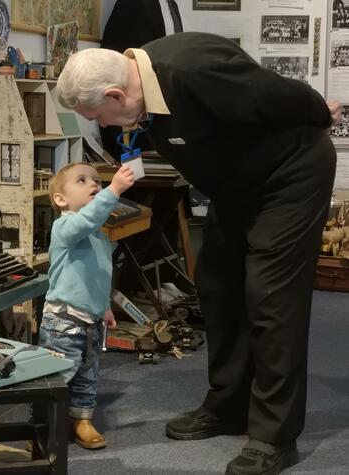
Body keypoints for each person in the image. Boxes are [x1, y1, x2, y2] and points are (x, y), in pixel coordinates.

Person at [55, 32, 341, 473]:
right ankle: (229, 405)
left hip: (291, 178)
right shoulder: (139, 91)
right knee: (217, 283)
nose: (107, 125)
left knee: (270, 298)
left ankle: (274, 435)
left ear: (115, 93)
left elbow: (278, 92)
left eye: (100, 116)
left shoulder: (193, 69)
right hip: (238, 186)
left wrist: (320, 111)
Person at [39, 162, 134, 449]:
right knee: (58, 376)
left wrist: (104, 306)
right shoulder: (65, 226)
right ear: (60, 199)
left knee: (87, 376)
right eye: (81, 180)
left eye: (96, 180)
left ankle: (81, 419)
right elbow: (87, 220)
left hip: (91, 319)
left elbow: (99, 276)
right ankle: (45, 427)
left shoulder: (98, 236)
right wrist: (114, 189)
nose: (93, 184)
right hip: (63, 322)